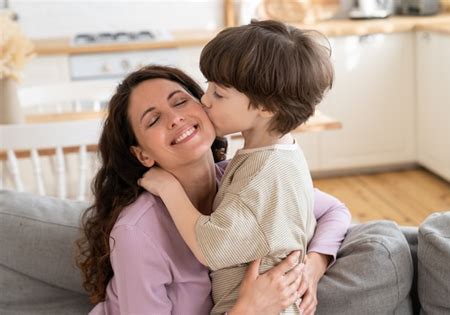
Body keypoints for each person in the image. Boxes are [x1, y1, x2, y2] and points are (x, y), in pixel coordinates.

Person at [76, 65, 351, 315]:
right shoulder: (136, 233)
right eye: (153, 120)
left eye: (181, 102)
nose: (174, 118)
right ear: (143, 155)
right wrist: (249, 309)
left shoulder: (247, 180)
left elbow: (333, 211)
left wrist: (310, 270)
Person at [138, 20, 336, 314]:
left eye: (219, 93)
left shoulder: (265, 176)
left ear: (266, 108)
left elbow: (209, 248)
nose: (204, 100)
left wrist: (168, 188)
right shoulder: (278, 157)